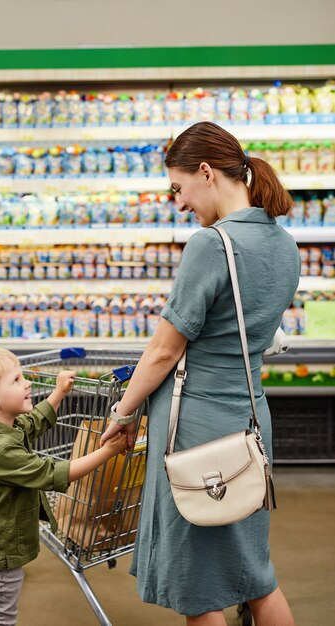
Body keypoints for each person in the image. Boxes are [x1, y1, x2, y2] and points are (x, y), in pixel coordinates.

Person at [101, 121, 300, 626]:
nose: (179, 201)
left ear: (206, 172)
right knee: (254, 575)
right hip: (250, 423)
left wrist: (123, 411)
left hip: (195, 432)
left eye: (178, 186)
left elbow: (165, 353)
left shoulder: (211, 244)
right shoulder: (284, 244)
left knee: (201, 588)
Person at [0, 347, 127, 626]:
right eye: (17, 380)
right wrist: (108, 451)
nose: (28, 383)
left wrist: (58, 394)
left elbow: (32, 423)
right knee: (2, 618)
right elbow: (55, 473)